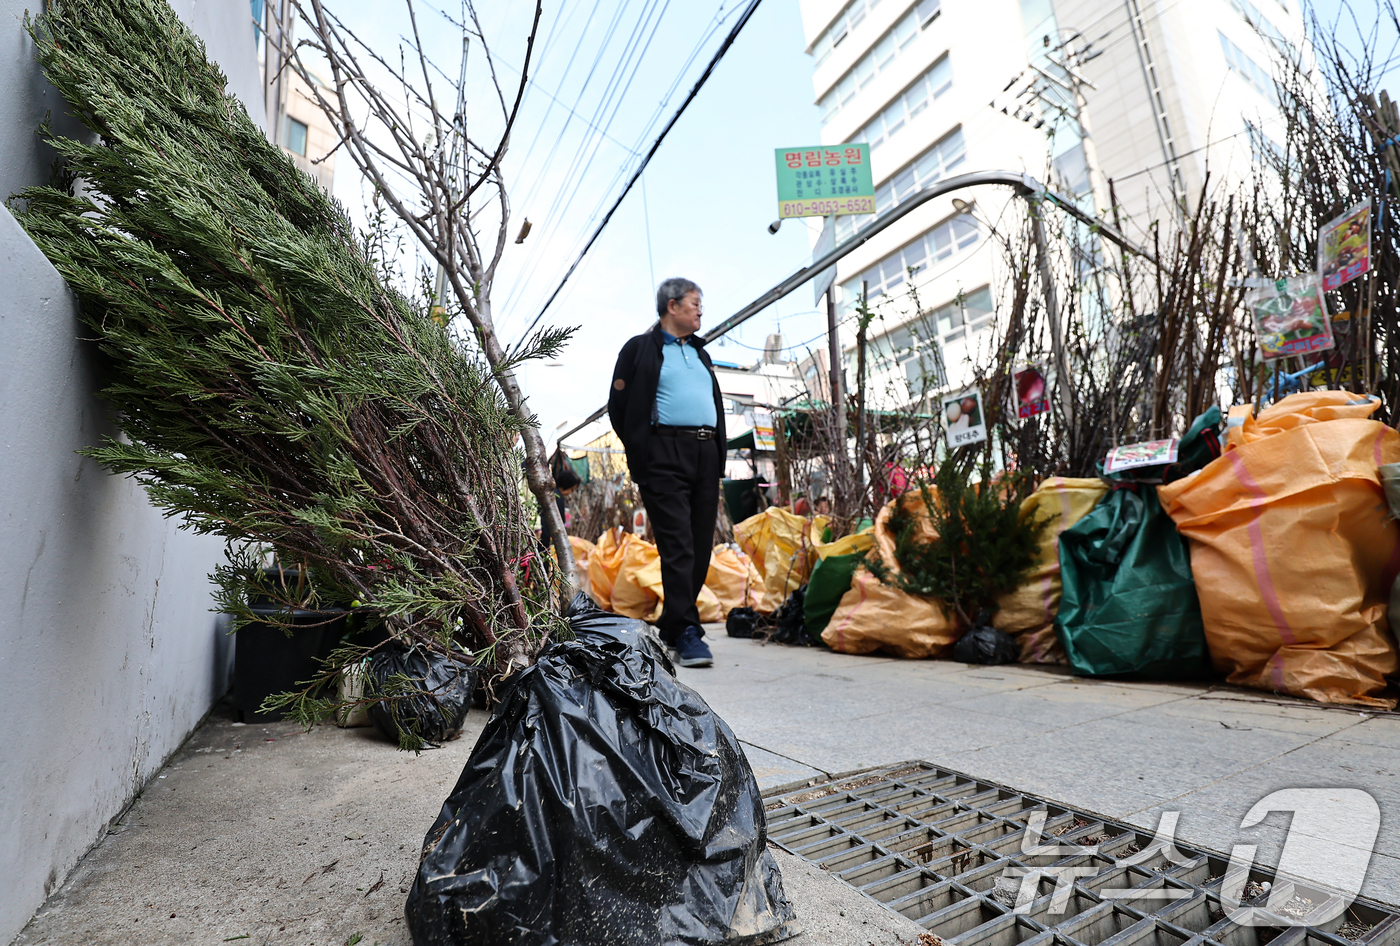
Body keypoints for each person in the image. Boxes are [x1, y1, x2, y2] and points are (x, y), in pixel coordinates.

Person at [608, 277, 725, 667]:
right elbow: (619, 406)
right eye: (694, 302)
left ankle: (674, 626)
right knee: (678, 544)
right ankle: (688, 630)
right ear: (672, 306)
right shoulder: (641, 348)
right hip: (663, 454)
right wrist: (642, 447)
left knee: (701, 545)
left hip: (706, 453)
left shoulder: (700, 352)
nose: (700, 309)